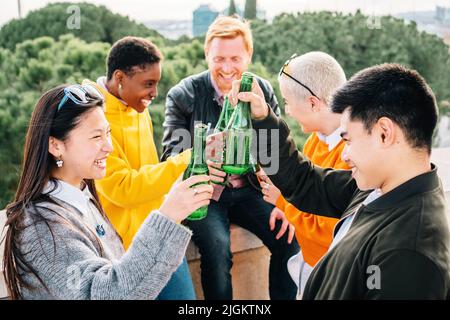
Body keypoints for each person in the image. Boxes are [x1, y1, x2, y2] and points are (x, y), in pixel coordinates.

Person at [230, 63, 450, 299]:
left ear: (385, 133)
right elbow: (303, 181)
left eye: (349, 140)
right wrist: (262, 118)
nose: (345, 155)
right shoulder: (379, 189)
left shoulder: (409, 254)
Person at [2, 84, 213, 299]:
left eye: (108, 133)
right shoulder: (41, 227)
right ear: (55, 146)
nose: (109, 147)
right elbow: (110, 294)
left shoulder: (83, 199)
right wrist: (168, 215)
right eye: (96, 137)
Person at [161, 16, 299, 300]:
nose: (226, 68)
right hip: (205, 195)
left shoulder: (262, 89)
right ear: (206, 56)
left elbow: (278, 149)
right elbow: (170, 155)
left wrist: (283, 195)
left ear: (248, 56)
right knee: (217, 247)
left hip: (249, 190)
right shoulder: (184, 94)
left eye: (235, 58)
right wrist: (201, 152)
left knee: (288, 239)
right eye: (218, 58)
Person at [84, 37, 199, 299]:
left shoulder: (138, 107)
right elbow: (122, 188)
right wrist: (187, 158)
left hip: (162, 231)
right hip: (123, 252)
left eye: (156, 84)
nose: (154, 93)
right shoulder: (94, 120)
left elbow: (150, 170)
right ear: (120, 77)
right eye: (148, 84)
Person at [256, 51, 348, 297]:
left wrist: (283, 200)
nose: (287, 111)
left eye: (286, 101)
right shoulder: (313, 143)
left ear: (313, 103)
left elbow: (328, 234)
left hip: (333, 275)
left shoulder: (350, 156)